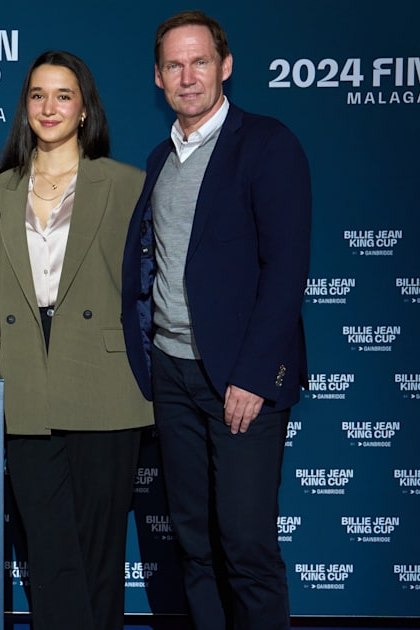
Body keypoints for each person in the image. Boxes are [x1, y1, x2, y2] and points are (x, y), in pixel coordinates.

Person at [121, 10, 312, 630]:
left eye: (199, 61)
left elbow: (286, 270)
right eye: (174, 65)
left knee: (246, 546)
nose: (188, 76)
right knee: (194, 543)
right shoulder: (160, 159)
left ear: (225, 67)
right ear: (157, 77)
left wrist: (254, 376)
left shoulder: (267, 143)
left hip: (241, 381)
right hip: (174, 377)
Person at [0, 51, 153, 630]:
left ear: (84, 109)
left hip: (106, 384)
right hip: (26, 383)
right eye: (38, 95)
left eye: (63, 95)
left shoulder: (126, 184)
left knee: (98, 553)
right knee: (46, 555)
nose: (50, 107)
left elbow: (152, 288)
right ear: (25, 108)